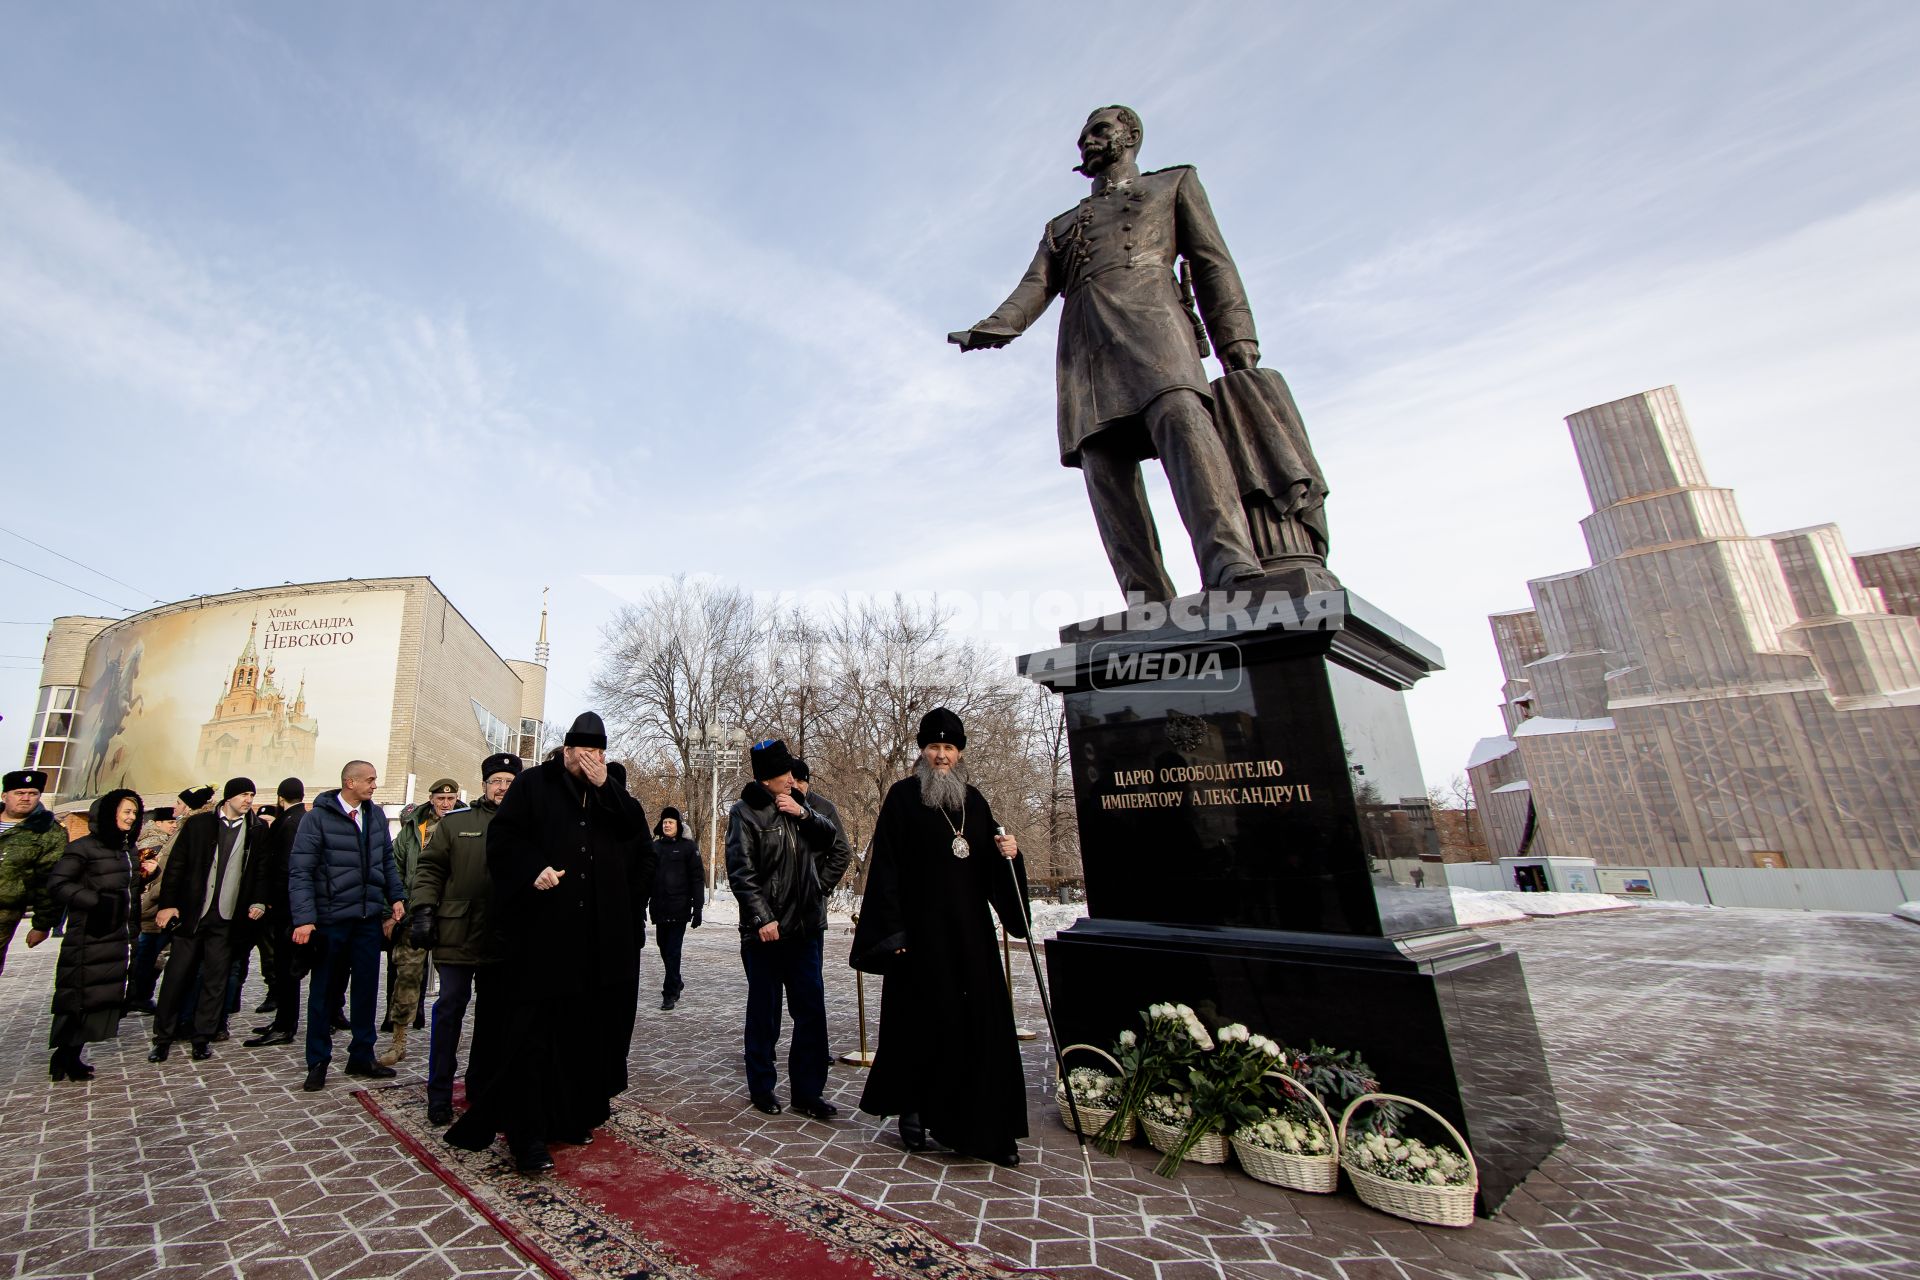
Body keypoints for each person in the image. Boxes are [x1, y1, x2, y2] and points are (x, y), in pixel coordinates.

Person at [952, 104, 1271, 601]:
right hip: (1084, 345)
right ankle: (1143, 593)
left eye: (1100, 131)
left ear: (1132, 135)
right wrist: (996, 326)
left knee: (1184, 421)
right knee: (1102, 464)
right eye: (1082, 137)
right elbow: (1035, 285)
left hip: (1155, 325)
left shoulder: (1173, 186)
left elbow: (1213, 265)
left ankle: (1228, 559)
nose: (1088, 143)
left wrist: (1236, 341)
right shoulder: (1062, 224)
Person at [445, 713, 651, 1173]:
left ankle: (569, 1116)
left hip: (595, 945)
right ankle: (527, 1136)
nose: (592, 760)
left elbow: (634, 834)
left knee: (581, 1039)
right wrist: (530, 869)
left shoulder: (611, 796)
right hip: (542, 941)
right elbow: (504, 838)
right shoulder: (533, 785)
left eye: (599, 752)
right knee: (532, 1041)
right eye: (584, 752)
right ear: (567, 751)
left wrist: (607, 788)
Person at [851, 708, 1030, 1166]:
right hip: (921, 940)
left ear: (961, 752)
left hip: (971, 940)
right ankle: (913, 1108)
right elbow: (885, 869)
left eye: (950, 748)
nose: (941, 755)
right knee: (919, 1028)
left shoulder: (976, 801)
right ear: (922, 751)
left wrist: (1012, 856)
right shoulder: (902, 798)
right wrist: (893, 935)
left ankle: (980, 1127)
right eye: (934, 747)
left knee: (977, 1029)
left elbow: (994, 870)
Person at [725, 738, 852, 1120]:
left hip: (805, 929)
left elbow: (833, 841)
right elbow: (741, 872)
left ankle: (808, 1093)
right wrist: (762, 918)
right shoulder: (744, 813)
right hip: (766, 933)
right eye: (784, 775)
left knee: (811, 1012)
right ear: (767, 778)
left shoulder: (802, 804)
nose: (791, 780)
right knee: (765, 1013)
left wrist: (803, 814)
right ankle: (762, 1087)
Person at [411, 753, 518, 1127]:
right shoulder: (457, 824)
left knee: (493, 1020)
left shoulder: (526, 824)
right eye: (496, 781)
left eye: (509, 780)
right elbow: (430, 869)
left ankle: (481, 1086)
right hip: (456, 933)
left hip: (501, 938)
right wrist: (422, 909)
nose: (503, 787)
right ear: (485, 785)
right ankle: (439, 1093)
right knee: (449, 1012)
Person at [289, 760, 406, 1091]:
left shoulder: (375, 816)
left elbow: (386, 859)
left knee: (367, 989)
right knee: (324, 990)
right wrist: (305, 919)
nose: (373, 786)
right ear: (349, 782)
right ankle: (318, 1061)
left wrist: (396, 897)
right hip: (331, 920)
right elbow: (301, 871)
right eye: (369, 780)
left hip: (367, 919)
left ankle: (361, 1055)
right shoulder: (318, 818)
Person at [149, 778, 266, 1063]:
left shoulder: (256, 831)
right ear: (228, 797)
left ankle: (203, 1036)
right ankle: (163, 1037)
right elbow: (176, 866)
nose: (248, 800)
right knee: (177, 976)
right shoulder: (199, 826)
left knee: (216, 979)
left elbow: (261, 870)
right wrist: (168, 905)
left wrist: (258, 901)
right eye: (243, 794)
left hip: (227, 917)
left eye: (251, 795)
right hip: (193, 915)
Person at [37, 788, 142, 1081]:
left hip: (119, 934)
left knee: (100, 997)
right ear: (109, 814)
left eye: (134, 813)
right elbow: (58, 884)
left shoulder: (127, 850)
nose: (131, 818)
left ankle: (72, 1055)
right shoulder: (83, 848)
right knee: (80, 995)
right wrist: (95, 901)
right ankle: (64, 1056)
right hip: (90, 934)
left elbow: (128, 890)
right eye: (126, 812)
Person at [376, 778, 459, 1066]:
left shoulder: (465, 823)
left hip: (452, 914)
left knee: (454, 982)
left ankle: (454, 1043)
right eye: (441, 799)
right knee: (407, 975)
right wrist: (392, 908)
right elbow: (395, 867)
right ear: (432, 799)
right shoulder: (413, 828)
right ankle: (399, 1041)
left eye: (451, 799)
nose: (446, 804)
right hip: (415, 910)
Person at [244, 777, 309, 1047]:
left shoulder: (290, 823)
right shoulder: (301, 819)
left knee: (286, 969)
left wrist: (272, 900)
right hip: (290, 906)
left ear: (281, 798)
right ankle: (283, 1020)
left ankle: (285, 1024)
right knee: (285, 968)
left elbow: (286, 867)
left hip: (287, 908)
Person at [0, 768, 67, 979]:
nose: (26, 798)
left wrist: (43, 924)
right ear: (5, 796)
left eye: (32, 793)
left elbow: (50, 881)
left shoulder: (48, 832)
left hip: (4, 911)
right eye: (19, 793)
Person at [122, 804, 177, 1015]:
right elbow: (148, 877)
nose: (173, 826)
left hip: (152, 905)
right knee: (146, 954)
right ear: (158, 823)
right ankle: (137, 996)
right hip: (149, 905)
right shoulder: (153, 843)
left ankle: (137, 996)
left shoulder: (161, 840)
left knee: (148, 953)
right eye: (170, 822)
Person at [648, 807, 702, 1011]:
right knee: (663, 947)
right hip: (659, 908)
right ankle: (676, 980)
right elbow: (647, 877)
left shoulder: (689, 848)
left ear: (679, 825)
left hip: (679, 908)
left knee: (673, 951)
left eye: (671, 821)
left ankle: (669, 993)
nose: (667, 825)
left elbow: (697, 879)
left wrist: (698, 908)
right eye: (664, 822)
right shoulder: (655, 848)